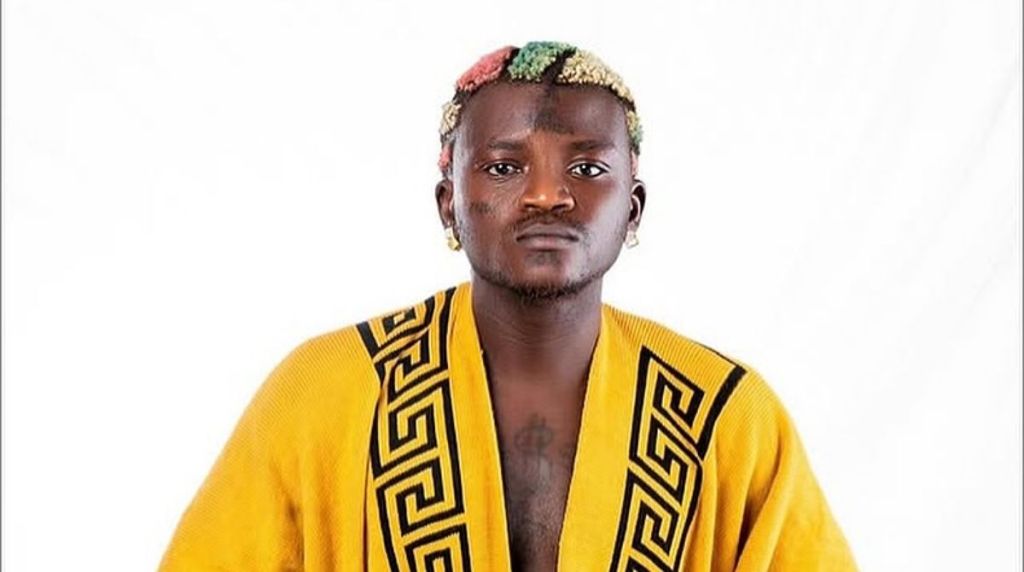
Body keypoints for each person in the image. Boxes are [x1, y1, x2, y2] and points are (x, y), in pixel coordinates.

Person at [160, 41, 856, 571]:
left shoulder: (725, 416)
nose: (547, 195)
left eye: (587, 168)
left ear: (633, 208)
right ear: (449, 204)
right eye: (503, 166)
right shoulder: (326, 394)